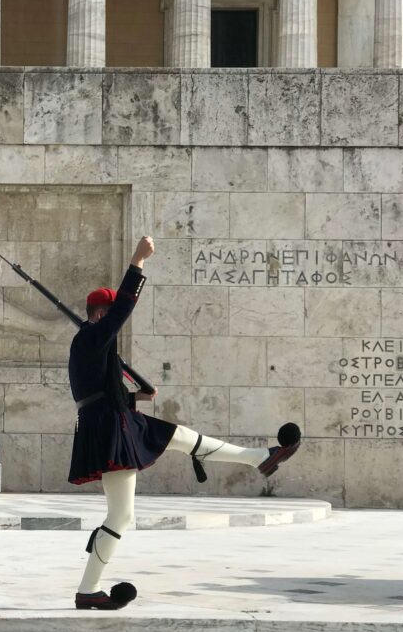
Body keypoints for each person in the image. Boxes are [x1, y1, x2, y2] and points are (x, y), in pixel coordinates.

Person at [69, 235, 300, 610]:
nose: (116, 324)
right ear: (100, 314)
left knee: (181, 436)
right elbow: (123, 308)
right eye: (108, 316)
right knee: (121, 515)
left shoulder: (91, 342)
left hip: (115, 418)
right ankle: (88, 589)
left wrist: (135, 398)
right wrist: (137, 261)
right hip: (111, 429)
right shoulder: (94, 336)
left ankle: (260, 457)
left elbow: (93, 392)